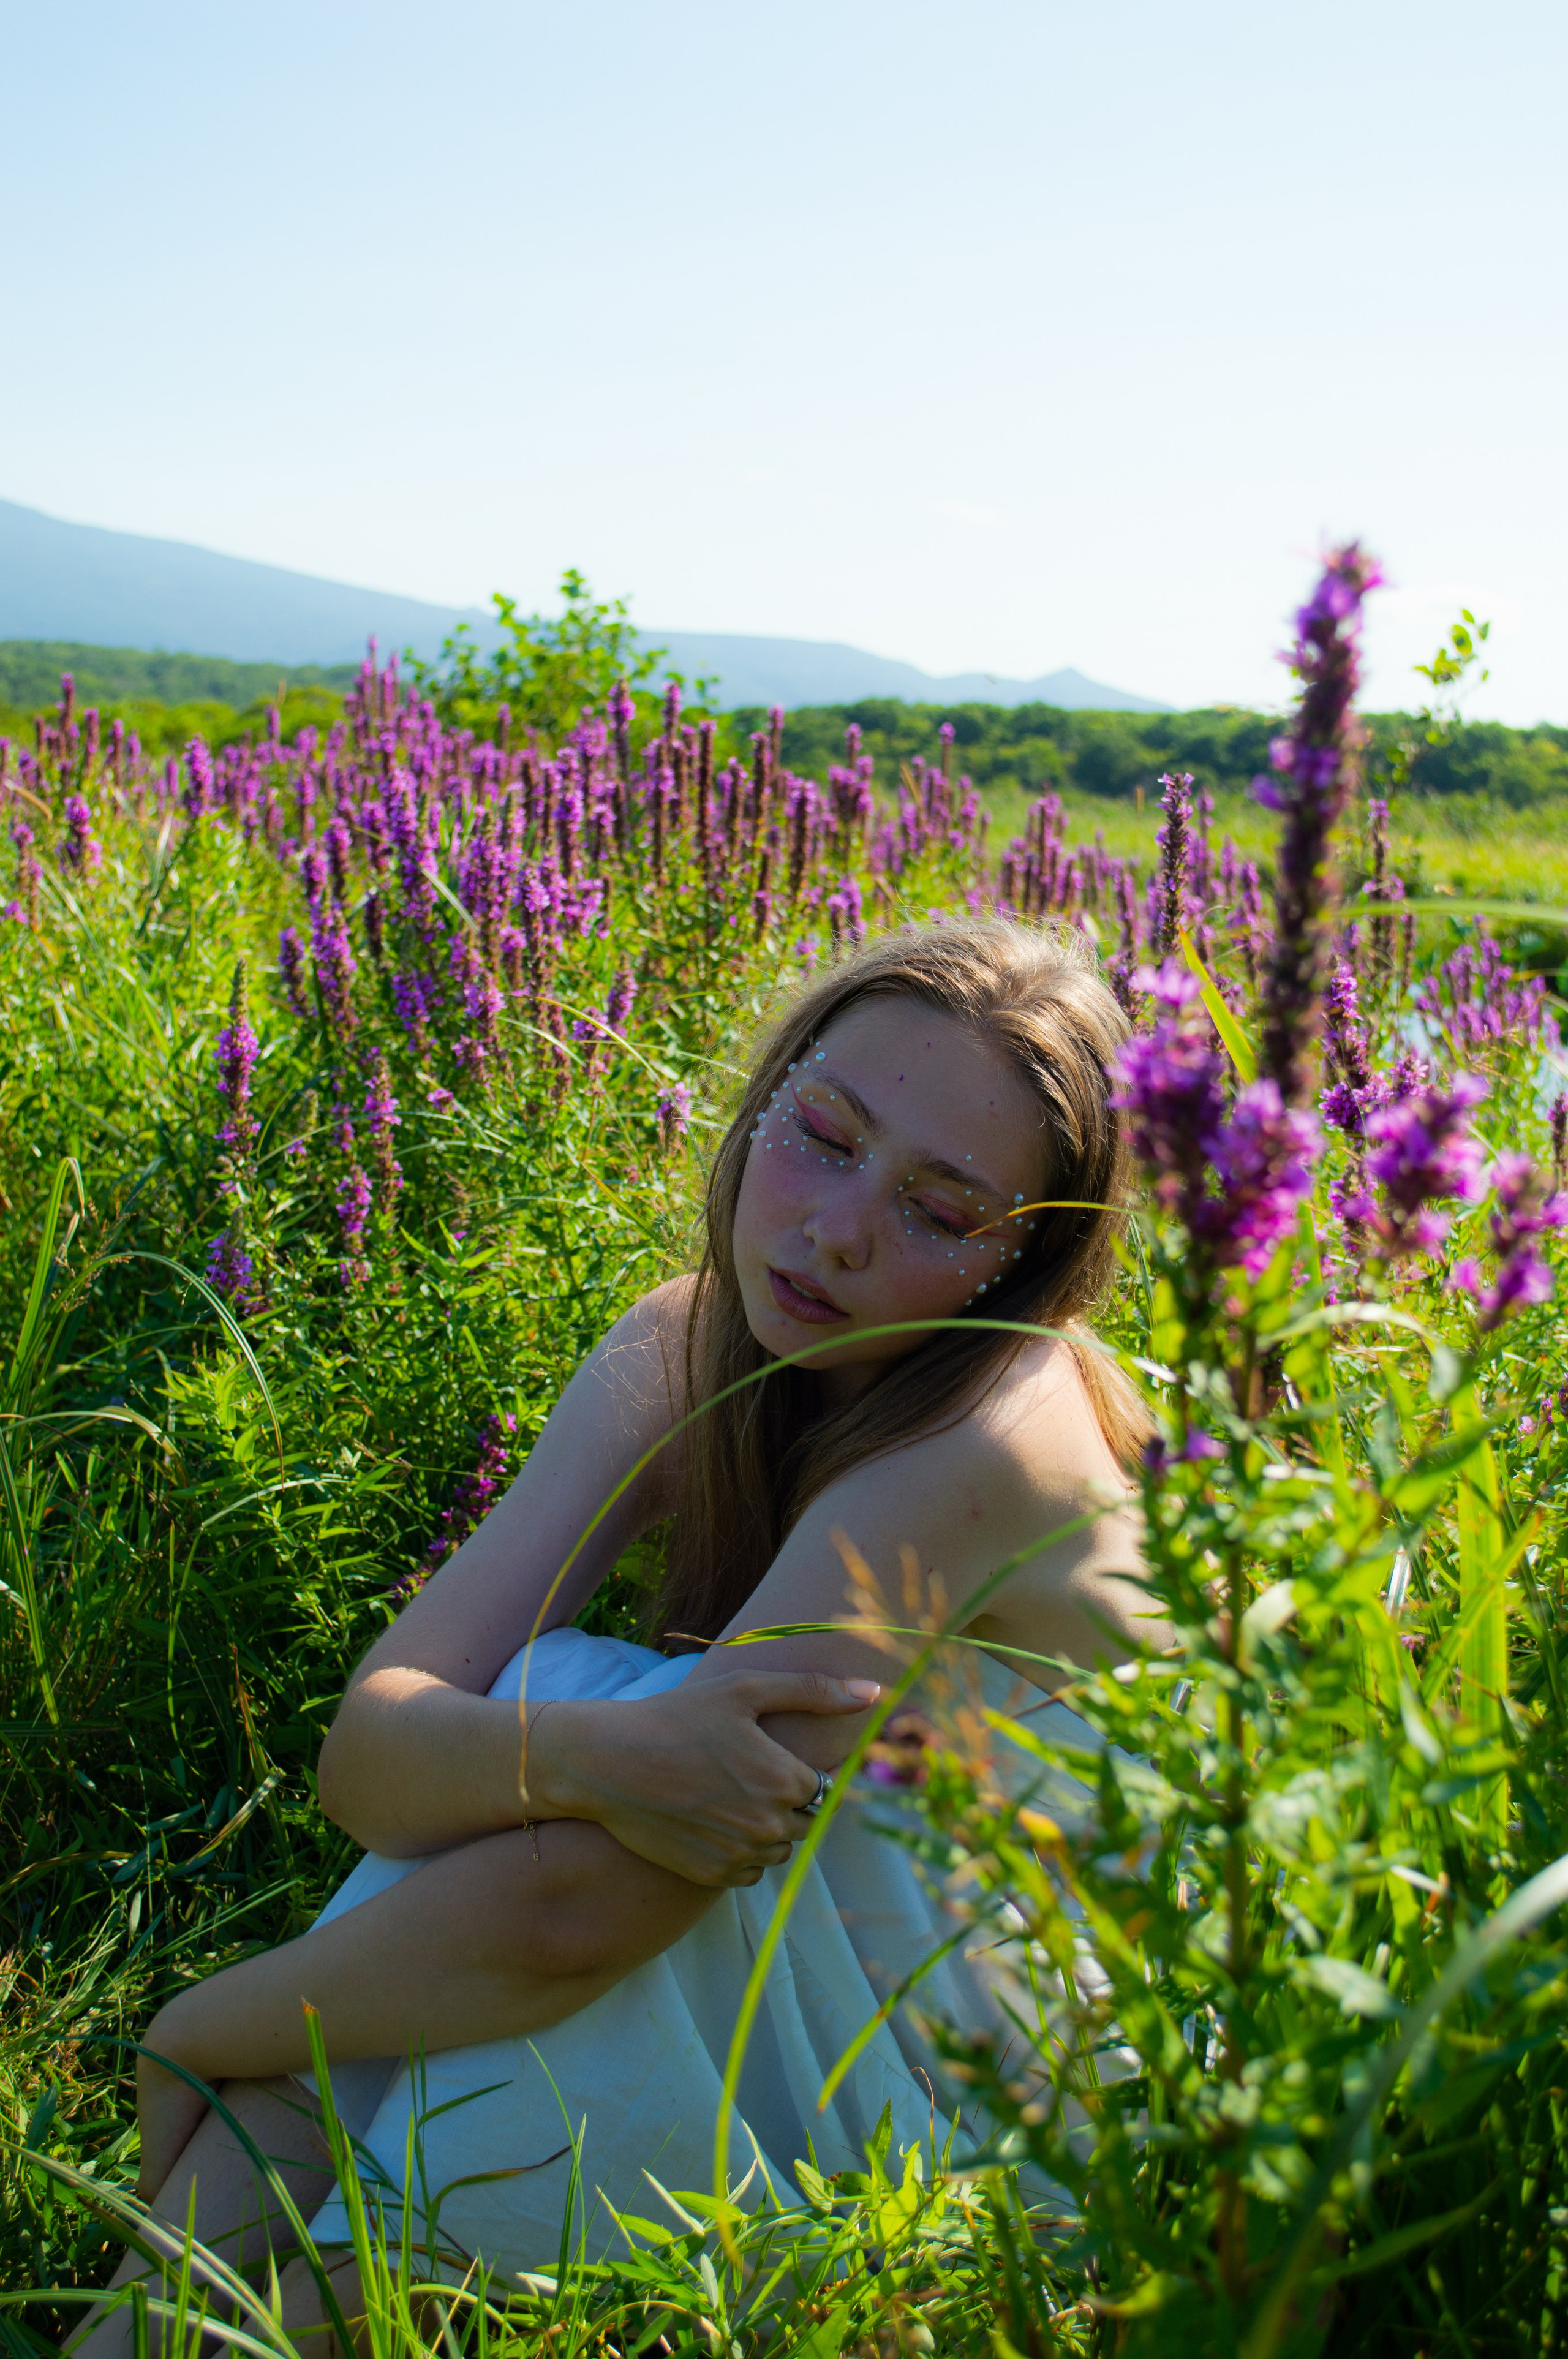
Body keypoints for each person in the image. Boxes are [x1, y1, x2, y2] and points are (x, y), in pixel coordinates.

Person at [77, 919, 1158, 2355]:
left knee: (562, 1858)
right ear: (766, 1093)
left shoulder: (986, 1436)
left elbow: (582, 1914)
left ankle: (274, 2286)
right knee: (576, 1733)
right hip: (785, 2002)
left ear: (1021, 1271)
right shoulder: (685, 1342)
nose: (836, 1228)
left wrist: (201, 2031)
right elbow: (374, 1749)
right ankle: (233, 2308)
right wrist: (594, 1755)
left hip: (1003, 2105)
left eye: (939, 1211)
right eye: (825, 1134)